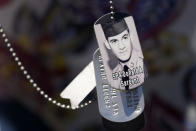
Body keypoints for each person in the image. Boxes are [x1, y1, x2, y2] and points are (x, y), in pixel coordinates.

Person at [102, 18, 145, 90]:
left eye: (124, 38)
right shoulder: (114, 78)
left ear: (130, 37)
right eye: (114, 41)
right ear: (107, 45)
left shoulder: (144, 62)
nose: (121, 46)